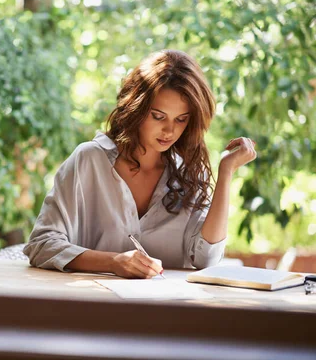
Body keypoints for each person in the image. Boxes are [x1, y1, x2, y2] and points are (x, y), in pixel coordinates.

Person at [23, 49, 257, 279]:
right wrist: (113, 262)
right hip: (92, 309)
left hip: (167, 312)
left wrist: (226, 172)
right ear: (137, 108)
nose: (170, 130)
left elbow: (206, 259)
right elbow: (42, 245)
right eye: (158, 116)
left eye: (181, 119)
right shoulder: (89, 161)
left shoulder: (189, 174)